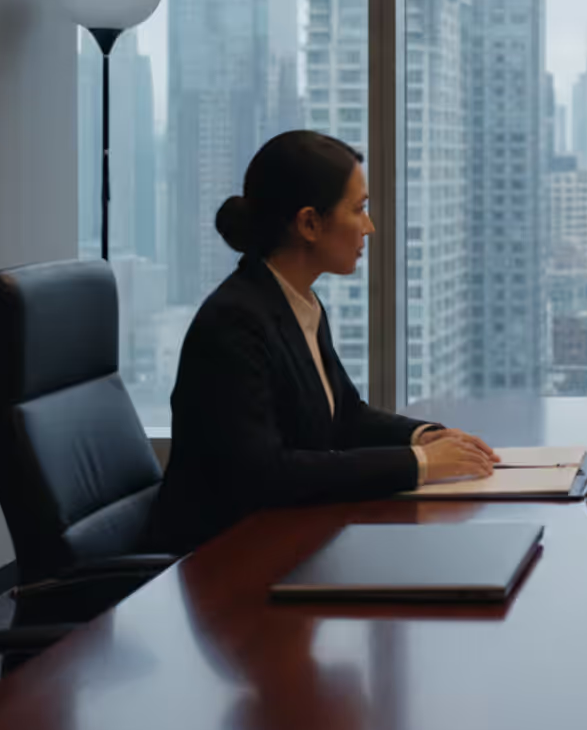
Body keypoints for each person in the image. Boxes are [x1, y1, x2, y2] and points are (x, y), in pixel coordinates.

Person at [151, 131, 497, 552]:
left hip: (281, 540)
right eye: (359, 209)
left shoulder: (297, 301)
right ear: (310, 223)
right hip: (220, 560)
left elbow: (344, 416)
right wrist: (418, 465)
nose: (369, 227)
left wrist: (423, 438)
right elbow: (265, 474)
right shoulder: (234, 323)